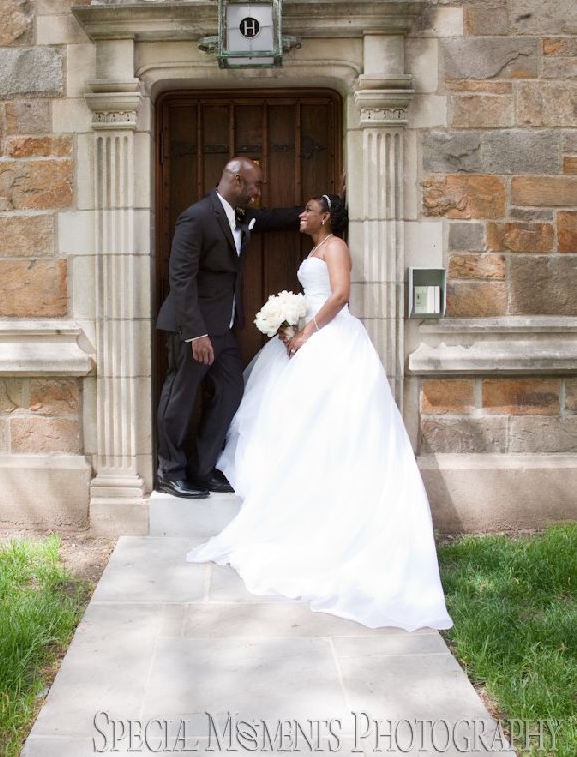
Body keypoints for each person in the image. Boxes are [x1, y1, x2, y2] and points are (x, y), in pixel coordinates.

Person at [187, 194, 453, 631]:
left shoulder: (335, 247)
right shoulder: (313, 249)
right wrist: (288, 322)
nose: (302, 215)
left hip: (331, 339)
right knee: (289, 418)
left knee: (329, 416)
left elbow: (341, 294)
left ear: (326, 217)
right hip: (307, 334)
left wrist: (307, 330)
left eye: (309, 209)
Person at [156, 158, 328, 499]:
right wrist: (196, 333)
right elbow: (181, 278)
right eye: (255, 185)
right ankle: (169, 472)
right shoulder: (197, 216)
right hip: (192, 330)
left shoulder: (242, 216)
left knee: (232, 392)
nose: (258, 192)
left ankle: (202, 470)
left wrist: (332, 205)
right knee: (180, 397)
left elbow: (279, 217)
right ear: (236, 180)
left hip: (223, 329)